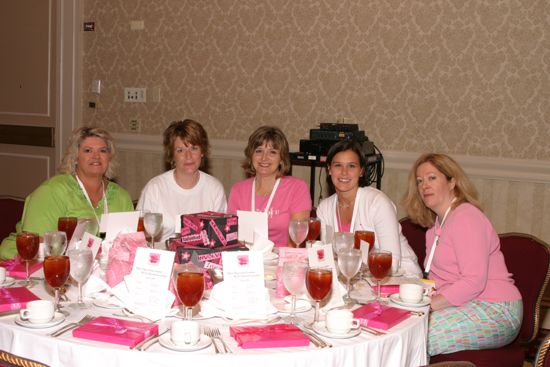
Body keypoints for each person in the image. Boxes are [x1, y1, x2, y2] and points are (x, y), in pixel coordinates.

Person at [402, 153, 522, 356]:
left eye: (432, 178)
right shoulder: (434, 228)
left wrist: (426, 306)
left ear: (452, 182)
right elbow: (439, 280)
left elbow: (473, 282)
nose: (424, 186)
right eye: (420, 181)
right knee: (402, 327)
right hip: (465, 304)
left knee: (415, 337)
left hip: (497, 310)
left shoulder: (466, 217)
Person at [0, 126, 134, 260]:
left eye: (103, 151)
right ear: (75, 157)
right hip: (29, 263)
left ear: (109, 158)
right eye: (88, 150)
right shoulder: (52, 191)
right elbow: (37, 244)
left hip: (97, 269)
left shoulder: (121, 197)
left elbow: (129, 244)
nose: (96, 156)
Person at [316, 140, 421, 277]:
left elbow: (392, 263)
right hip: (354, 280)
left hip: (400, 279)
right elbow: (327, 258)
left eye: (351, 166)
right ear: (329, 170)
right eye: (338, 166)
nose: (344, 172)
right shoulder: (324, 209)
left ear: (361, 171)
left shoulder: (377, 203)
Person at [137, 119, 226, 243]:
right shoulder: (155, 188)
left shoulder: (215, 188)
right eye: (180, 150)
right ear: (172, 155)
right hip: (162, 258)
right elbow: (139, 236)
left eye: (194, 148)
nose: (188, 156)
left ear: (202, 152)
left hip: (202, 259)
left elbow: (219, 239)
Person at [227, 126, 311, 247]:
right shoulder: (238, 190)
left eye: (272, 152)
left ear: (281, 158)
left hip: (282, 261)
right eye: (259, 151)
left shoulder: (297, 188)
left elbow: (297, 241)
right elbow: (232, 237)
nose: (264, 158)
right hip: (246, 261)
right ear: (251, 155)